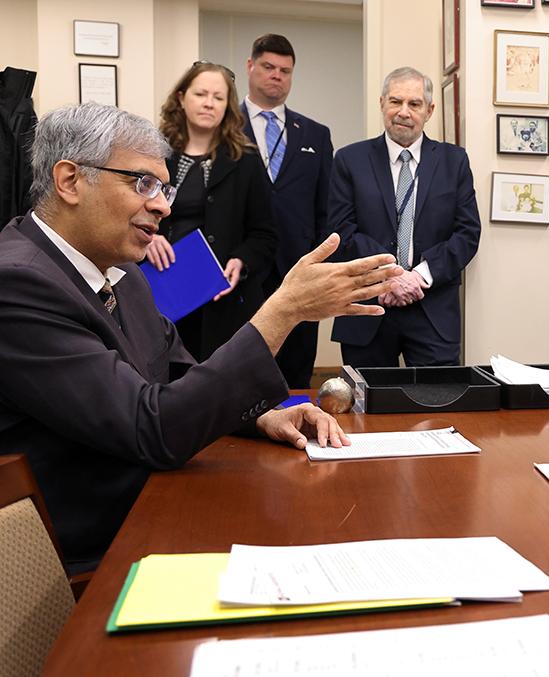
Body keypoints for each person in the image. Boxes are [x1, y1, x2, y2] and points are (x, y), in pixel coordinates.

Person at [0, 102, 400, 574]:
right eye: (142, 183)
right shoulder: (18, 285)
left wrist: (262, 416)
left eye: (165, 188)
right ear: (69, 181)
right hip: (94, 556)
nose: (164, 206)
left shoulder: (122, 271)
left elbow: (178, 375)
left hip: (155, 508)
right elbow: (156, 427)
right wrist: (284, 311)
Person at [326, 66, 481, 367]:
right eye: (395, 101)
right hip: (368, 307)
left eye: (414, 104)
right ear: (382, 103)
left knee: (438, 406)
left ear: (430, 110)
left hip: (433, 311)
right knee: (366, 410)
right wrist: (391, 277)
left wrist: (418, 277)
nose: (403, 112)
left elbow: (467, 234)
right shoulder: (349, 160)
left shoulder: (454, 162)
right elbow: (341, 231)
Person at [147, 62, 276, 362]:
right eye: (201, 94)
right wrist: (149, 238)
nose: (209, 103)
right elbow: (129, 213)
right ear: (181, 98)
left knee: (221, 388)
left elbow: (265, 234)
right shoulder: (154, 153)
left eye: (218, 97)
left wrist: (241, 261)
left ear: (227, 106)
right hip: (163, 293)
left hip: (224, 301)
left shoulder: (246, 160)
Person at [241, 34, 334, 389]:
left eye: (285, 71)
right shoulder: (221, 128)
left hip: (299, 270)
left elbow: (325, 209)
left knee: (295, 375)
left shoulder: (315, 134)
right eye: (268, 67)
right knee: (242, 371)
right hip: (241, 273)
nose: (276, 76)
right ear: (250, 67)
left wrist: (321, 265)